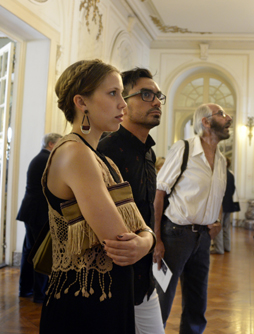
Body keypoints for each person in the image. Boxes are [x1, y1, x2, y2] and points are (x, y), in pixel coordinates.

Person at [39, 59, 156, 334]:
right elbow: (120, 241)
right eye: (112, 93)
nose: (123, 104)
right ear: (82, 102)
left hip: (106, 295)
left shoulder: (101, 159)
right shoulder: (75, 153)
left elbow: (141, 230)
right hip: (84, 303)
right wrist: (144, 241)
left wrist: (145, 241)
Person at [153, 103, 232, 333]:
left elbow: (217, 195)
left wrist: (216, 221)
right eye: (222, 114)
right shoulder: (184, 149)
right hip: (175, 235)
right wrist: (157, 239)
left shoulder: (221, 160)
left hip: (203, 238)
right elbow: (159, 194)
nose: (229, 119)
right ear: (206, 122)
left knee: (198, 300)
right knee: (162, 297)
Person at [98, 67, 164, 334]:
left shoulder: (148, 152)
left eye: (159, 95)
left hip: (144, 277)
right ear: (122, 103)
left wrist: (153, 241)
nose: (157, 101)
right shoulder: (105, 150)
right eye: (147, 94)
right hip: (112, 283)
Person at [17, 132, 62, 303]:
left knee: (30, 252)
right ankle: (40, 294)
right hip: (38, 213)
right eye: (59, 144)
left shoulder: (41, 158)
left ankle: (25, 289)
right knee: (41, 253)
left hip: (31, 212)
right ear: (51, 145)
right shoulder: (46, 159)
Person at [211, 156, 239, 254]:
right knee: (226, 227)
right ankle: (227, 247)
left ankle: (219, 249)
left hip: (220, 205)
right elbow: (233, 189)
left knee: (218, 226)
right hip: (229, 204)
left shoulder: (219, 174)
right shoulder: (231, 174)